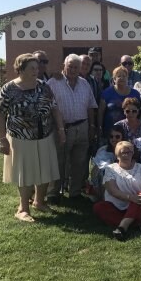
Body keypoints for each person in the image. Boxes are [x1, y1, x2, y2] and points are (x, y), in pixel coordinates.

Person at [0, 53, 65, 222]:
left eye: (37, 67)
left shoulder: (44, 86)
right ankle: (23, 208)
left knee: (45, 169)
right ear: (21, 69)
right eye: (32, 68)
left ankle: (39, 202)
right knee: (24, 173)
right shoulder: (9, 89)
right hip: (20, 137)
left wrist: (61, 129)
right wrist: (1, 138)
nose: (36, 70)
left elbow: (54, 108)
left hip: (45, 135)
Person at [47, 54, 98, 203]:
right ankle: (53, 193)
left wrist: (92, 126)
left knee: (80, 161)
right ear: (64, 65)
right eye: (70, 66)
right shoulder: (53, 83)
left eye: (76, 66)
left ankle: (75, 192)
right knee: (58, 161)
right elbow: (48, 107)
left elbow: (90, 106)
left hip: (82, 126)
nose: (73, 69)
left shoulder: (84, 83)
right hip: (61, 129)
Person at [93, 141, 141, 240]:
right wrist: (130, 197)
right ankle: (135, 222)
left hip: (138, 204)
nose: (126, 155)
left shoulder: (140, 167)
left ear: (132, 153)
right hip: (116, 205)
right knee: (98, 207)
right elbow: (113, 191)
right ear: (117, 155)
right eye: (122, 153)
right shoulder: (110, 169)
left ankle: (122, 227)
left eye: (128, 152)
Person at [97, 65, 141, 139]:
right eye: (119, 76)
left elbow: (140, 111)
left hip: (130, 131)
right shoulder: (106, 93)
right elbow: (100, 112)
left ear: (127, 78)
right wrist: (99, 127)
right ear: (114, 79)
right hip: (111, 131)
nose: (122, 78)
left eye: (124, 76)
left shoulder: (135, 93)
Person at [90, 125, 124, 200]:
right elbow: (95, 170)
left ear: (122, 137)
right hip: (104, 181)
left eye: (117, 137)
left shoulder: (127, 151)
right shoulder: (103, 150)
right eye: (111, 136)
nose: (114, 139)